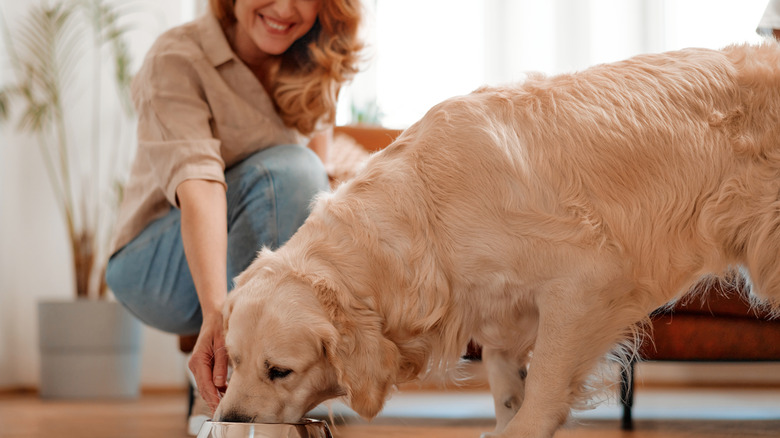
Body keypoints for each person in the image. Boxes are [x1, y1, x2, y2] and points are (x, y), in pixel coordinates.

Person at [105, 0, 363, 430]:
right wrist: (218, 313)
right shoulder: (177, 57)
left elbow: (316, 199)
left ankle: (258, 394)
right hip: (156, 267)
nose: (284, 8)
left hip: (242, 251)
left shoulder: (314, 60)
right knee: (290, 169)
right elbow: (200, 185)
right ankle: (224, 399)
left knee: (306, 175)